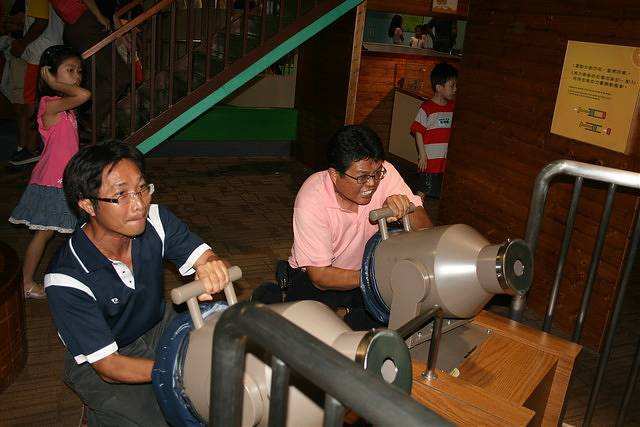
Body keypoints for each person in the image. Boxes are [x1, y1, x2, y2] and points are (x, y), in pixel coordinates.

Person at [44, 141, 230, 425]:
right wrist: (178, 370)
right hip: (103, 358)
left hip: (157, 324)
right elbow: (109, 366)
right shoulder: (66, 277)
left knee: (220, 369)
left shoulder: (156, 219)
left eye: (142, 188)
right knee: (162, 416)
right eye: (121, 194)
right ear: (88, 204)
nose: (139, 204)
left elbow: (207, 258)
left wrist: (212, 267)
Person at [253, 125, 432, 329]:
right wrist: (375, 278)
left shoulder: (385, 172)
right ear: (333, 174)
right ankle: (275, 295)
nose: (371, 183)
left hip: (364, 271)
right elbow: (320, 276)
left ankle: (348, 314)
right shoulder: (312, 198)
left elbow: (426, 230)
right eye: (362, 177)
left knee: (391, 319)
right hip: (321, 278)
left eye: (376, 174)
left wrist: (405, 209)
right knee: (307, 332)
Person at [9, 45, 89, 299]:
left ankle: (82, 274)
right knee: (44, 234)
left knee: (74, 229)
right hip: (52, 182)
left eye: (79, 71)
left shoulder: (65, 107)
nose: (77, 76)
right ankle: (26, 282)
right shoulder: (50, 104)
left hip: (67, 180)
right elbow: (84, 94)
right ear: (50, 74)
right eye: (70, 70)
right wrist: (54, 84)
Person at [50, 0, 130, 138]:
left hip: (81, 25)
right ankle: (86, 118)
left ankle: (86, 123)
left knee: (96, 80)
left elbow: (110, 10)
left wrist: (117, 30)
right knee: (119, 76)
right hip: (87, 23)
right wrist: (99, 16)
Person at [8, 0, 63, 166]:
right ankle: (38, 146)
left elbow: (41, 22)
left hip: (39, 54)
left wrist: (22, 43)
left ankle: (32, 148)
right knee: (44, 101)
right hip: (50, 51)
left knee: (32, 102)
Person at [411, 62, 458, 199]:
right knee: (424, 188)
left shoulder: (453, 107)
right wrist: (422, 155)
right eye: (452, 86)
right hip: (430, 160)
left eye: (456, 85)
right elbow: (418, 131)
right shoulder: (427, 107)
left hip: (444, 160)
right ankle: (416, 207)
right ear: (439, 88)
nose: (455, 89)